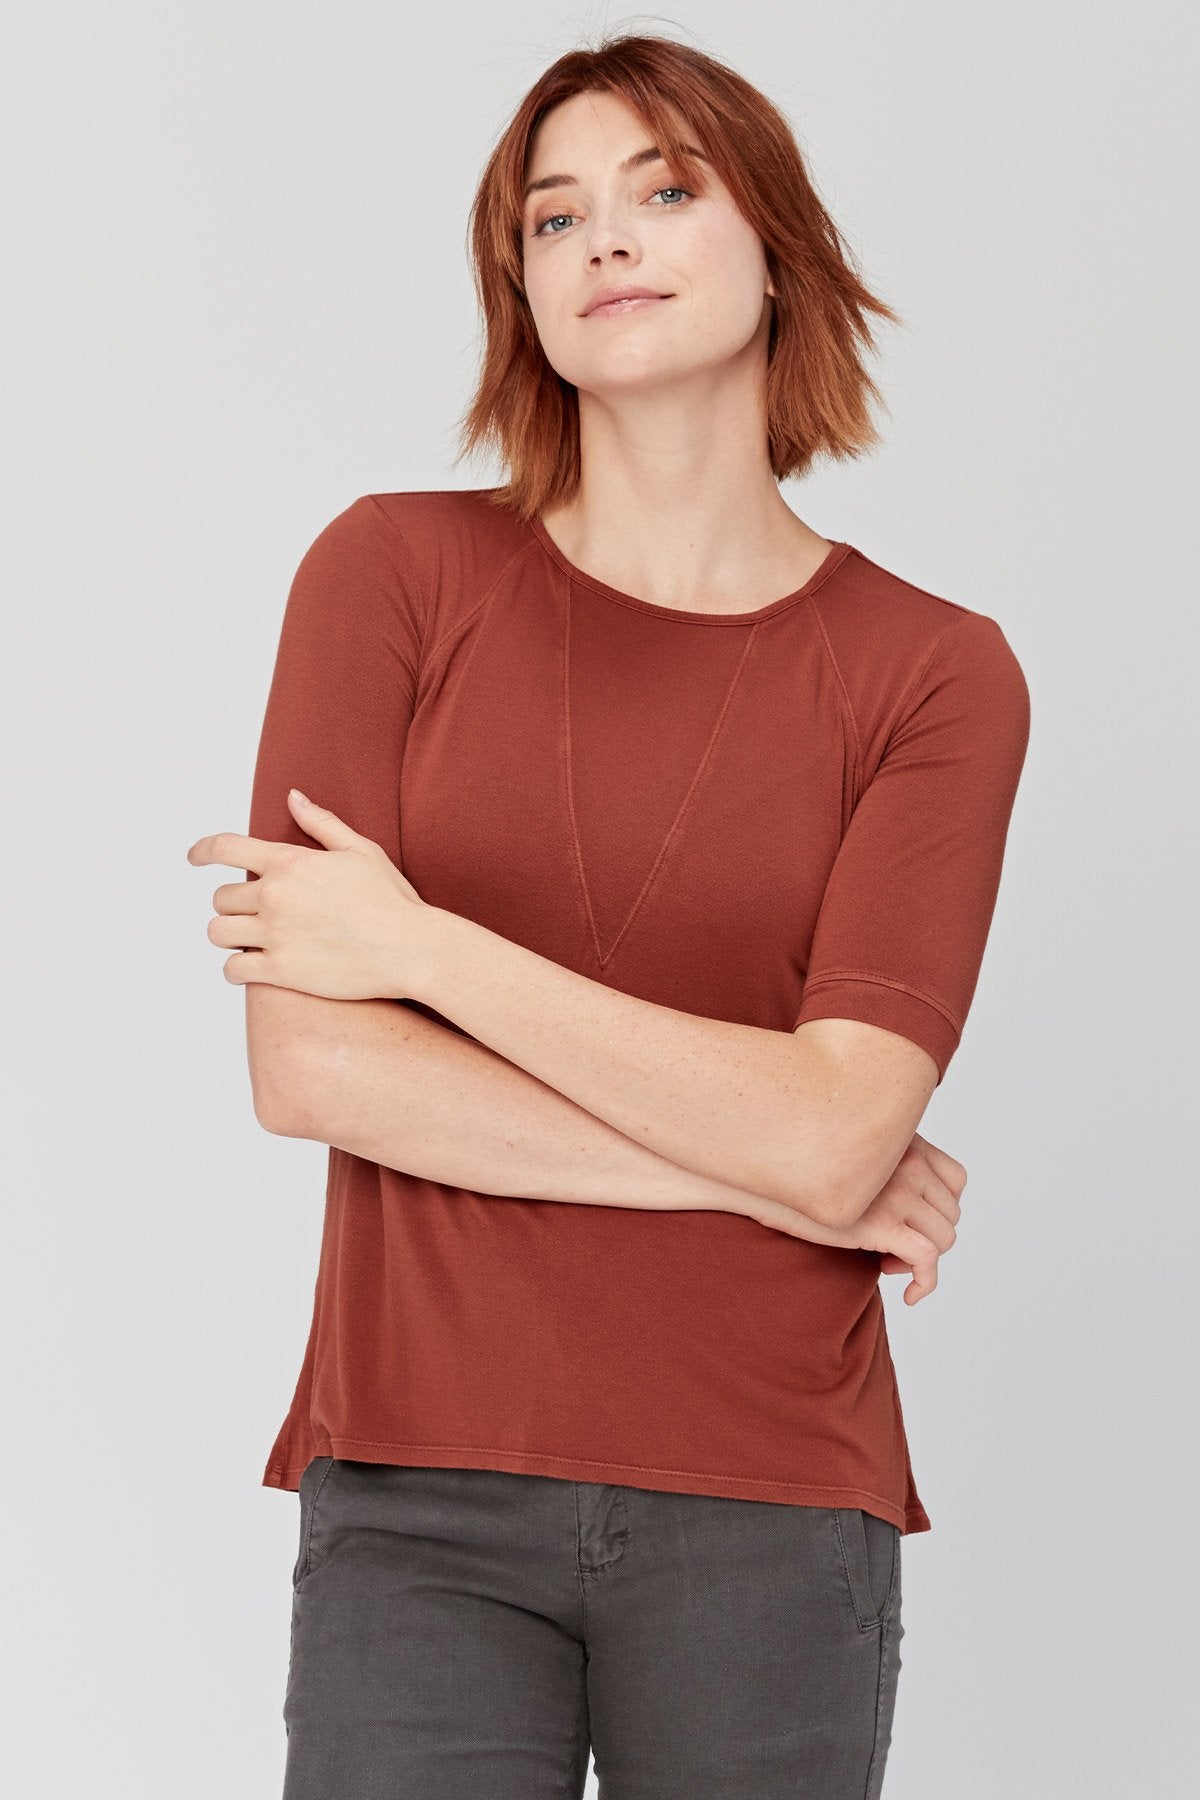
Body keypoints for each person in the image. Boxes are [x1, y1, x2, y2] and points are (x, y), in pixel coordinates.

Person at [188, 31, 1030, 1800]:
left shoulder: (934, 675)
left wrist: (426, 952)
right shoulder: (389, 575)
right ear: (522, 290)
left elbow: (845, 1127)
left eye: (663, 189)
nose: (605, 241)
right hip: (418, 1485)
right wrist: (771, 1171)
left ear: (778, 247)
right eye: (553, 217)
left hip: (771, 1494)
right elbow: (314, 1073)